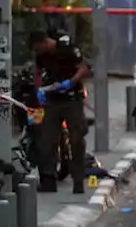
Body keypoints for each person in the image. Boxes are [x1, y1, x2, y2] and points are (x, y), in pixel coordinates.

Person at [28, 31, 90, 194]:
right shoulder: (41, 56)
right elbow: (38, 72)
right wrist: (38, 90)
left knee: (76, 139)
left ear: (44, 42)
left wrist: (71, 82)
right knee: (47, 140)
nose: (37, 52)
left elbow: (83, 69)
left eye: (38, 48)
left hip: (71, 99)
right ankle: (48, 179)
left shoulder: (67, 48)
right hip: (51, 101)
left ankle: (78, 180)